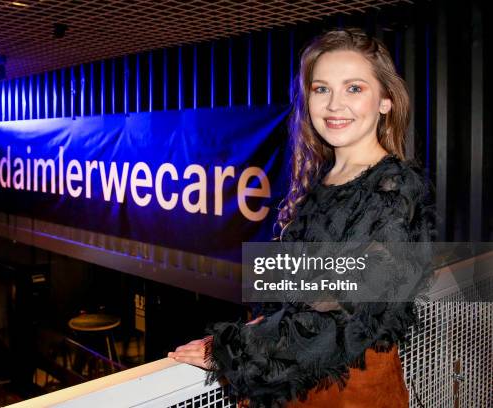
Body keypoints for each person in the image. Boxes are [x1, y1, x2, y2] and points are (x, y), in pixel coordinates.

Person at [168, 28, 436, 408]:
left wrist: (227, 350)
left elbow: (343, 318)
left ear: (386, 101)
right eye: (321, 88)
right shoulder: (322, 180)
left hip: (351, 396)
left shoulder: (391, 190)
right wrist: (266, 327)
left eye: (354, 88)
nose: (333, 104)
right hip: (302, 390)